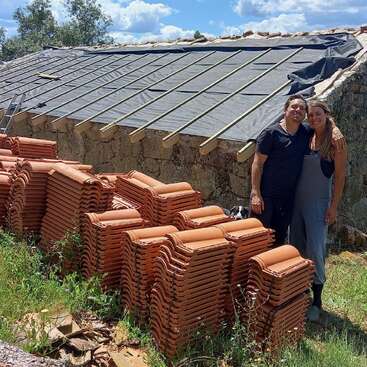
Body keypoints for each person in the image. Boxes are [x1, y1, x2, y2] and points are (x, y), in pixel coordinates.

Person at [250, 95, 344, 244]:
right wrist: (255, 193)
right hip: (265, 197)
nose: (298, 110)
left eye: (302, 108)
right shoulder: (271, 133)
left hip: (287, 200)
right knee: (257, 239)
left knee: (278, 241)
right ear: (285, 110)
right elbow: (257, 164)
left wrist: (334, 128)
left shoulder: (305, 132)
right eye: (294, 106)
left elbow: (323, 124)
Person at [290, 100, 347, 322]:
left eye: (318, 114)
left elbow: (340, 177)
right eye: (310, 115)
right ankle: (300, 292)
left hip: (318, 204)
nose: (313, 118)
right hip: (297, 203)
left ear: (326, 114)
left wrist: (333, 207)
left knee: (315, 250)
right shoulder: (306, 136)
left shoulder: (335, 142)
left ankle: (317, 301)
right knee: (297, 247)